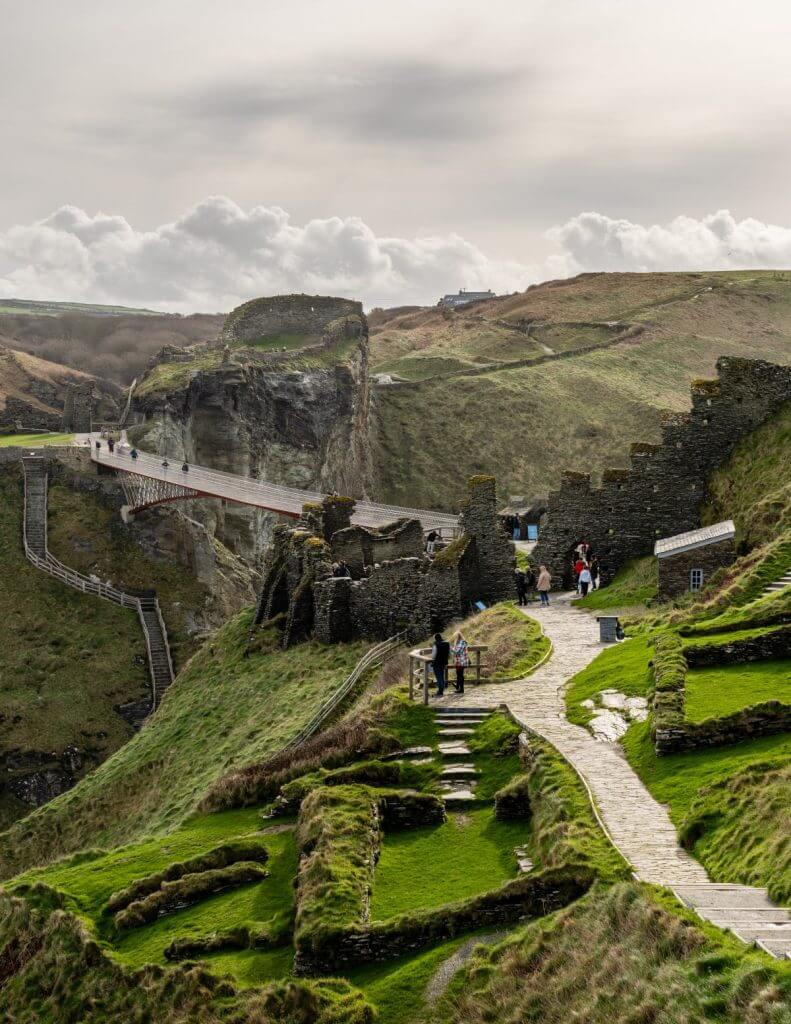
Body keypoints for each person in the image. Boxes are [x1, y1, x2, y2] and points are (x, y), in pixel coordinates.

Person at [430, 632, 450, 697]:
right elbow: (449, 653)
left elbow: (433, 656)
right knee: (442, 676)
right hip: (444, 663)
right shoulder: (447, 643)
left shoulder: (436, 644)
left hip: (437, 663)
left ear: (435, 638)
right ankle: (441, 689)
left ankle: (440, 691)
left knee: (439, 677)